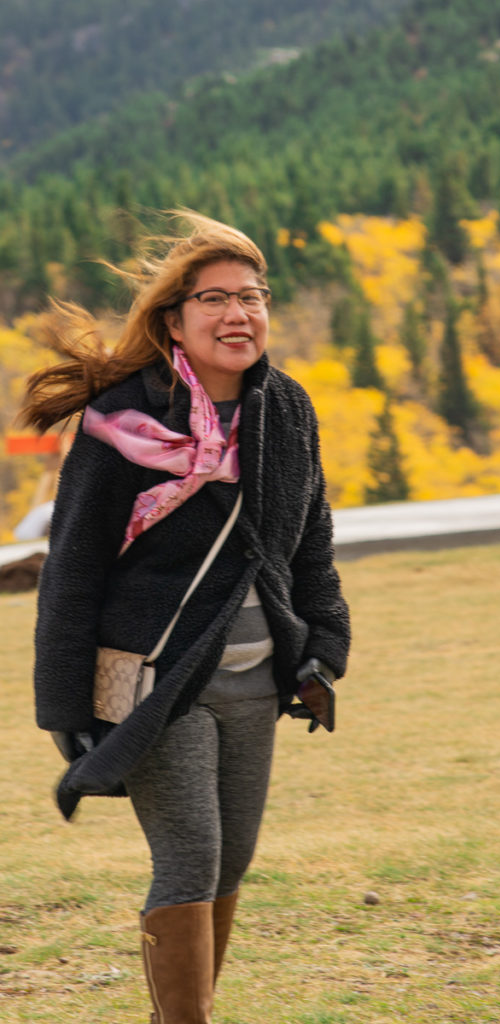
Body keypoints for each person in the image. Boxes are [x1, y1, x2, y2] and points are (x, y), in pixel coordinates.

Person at [21, 212, 351, 1023]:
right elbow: (71, 570)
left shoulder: (285, 409)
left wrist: (324, 648)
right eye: (214, 299)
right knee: (190, 860)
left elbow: (308, 540)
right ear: (174, 319)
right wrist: (65, 706)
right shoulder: (120, 421)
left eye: (253, 296)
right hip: (159, 685)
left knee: (231, 861)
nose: (238, 314)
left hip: (255, 677)